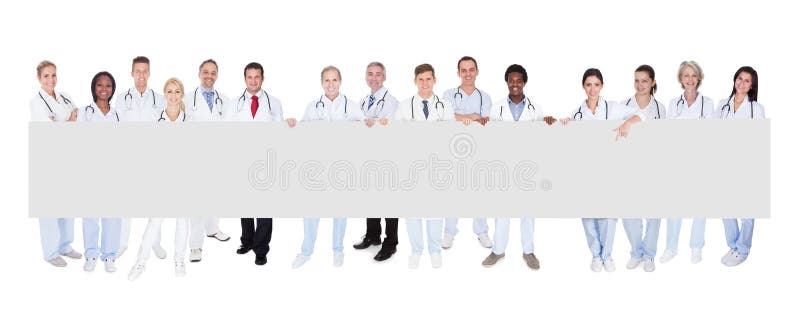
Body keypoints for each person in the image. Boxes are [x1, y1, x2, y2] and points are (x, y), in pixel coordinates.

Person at [560, 68, 646, 272]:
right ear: (583, 86)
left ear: (602, 86)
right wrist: (566, 125)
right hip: (586, 172)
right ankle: (596, 255)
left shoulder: (614, 108)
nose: (592, 89)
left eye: (596, 84)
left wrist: (627, 122)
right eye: (588, 84)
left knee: (608, 215)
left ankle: (607, 255)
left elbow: (641, 115)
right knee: (588, 216)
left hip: (609, 171)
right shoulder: (577, 113)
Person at [394, 63, 470, 268]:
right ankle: (416, 251)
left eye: (429, 79)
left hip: (437, 166)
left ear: (434, 80)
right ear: (415, 81)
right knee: (413, 213)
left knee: (435, 212)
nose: (425, 83)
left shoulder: (445, 105)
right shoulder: (403, 106)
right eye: (421, 79)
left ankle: (435, 251)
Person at [482, 64, 555, 270]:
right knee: (501, 211)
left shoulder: (536, 109)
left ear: (524, 82)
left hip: (527, 169)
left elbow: (543, 139)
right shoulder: (496, 108)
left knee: (528, 212)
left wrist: (548, 123)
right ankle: (498, 251)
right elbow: (490, 137)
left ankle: (528, 252)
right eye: (511, 80)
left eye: (519, 80)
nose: (515, 84)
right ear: (507, 82)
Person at [292, 65, 365, 269]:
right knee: (311, 212)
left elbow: (363, 135)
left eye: (334, 80)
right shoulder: (312, 106)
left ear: (340, 82)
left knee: (340, 211)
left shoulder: (351, 106)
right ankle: (306, 252)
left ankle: (338, 250)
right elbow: (302, 134)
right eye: (327, 80)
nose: (331, 84)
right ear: (322, 83)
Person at [229, 62, 294, 266]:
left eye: (257, 77)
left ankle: (261, 249)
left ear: (263, 78)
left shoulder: (274, 103)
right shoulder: (234, 104)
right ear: (245, 78)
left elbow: (280, 135)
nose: (254, 80)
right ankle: (246, 241)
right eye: (250, 77)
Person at [127, 77, 190, 281]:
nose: (173, 96)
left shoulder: (189, 121)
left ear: (182, 95)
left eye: (177, 92)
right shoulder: (155, 120)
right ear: (165, 94)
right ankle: (140, 262)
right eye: (170, 91)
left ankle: (179, 260)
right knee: (155, 222)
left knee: (182, 221)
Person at [660, 61, 716, 265]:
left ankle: (696, 247)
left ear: (699, 78)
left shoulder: (707, 103)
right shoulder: (673, 103)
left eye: (693, 75)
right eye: (686, 75)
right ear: (680, 79)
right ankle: (671, 247)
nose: (690, 79)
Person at [29, 60, 82, 267]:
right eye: (46, 76)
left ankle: (65, 246)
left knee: (68, 204)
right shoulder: (36, 102)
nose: (51, 79)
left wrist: (64, 124)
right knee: (50, 208)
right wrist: (69, 122)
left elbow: (78, 121)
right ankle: (50, 252)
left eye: (53, 75)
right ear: (38, 78)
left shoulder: (66, 97)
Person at [115, 56, 167, 260]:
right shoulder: (121, 98)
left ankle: (155, 243)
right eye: (138, 71)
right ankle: (121, 244)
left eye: (145, 71)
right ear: (132, 73)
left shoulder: (159, 99)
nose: (141, 75)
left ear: (149, 73)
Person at [441, 56, 493, 250]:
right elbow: (445, 117)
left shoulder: (485, 97)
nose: (468, 73)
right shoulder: (448, 95)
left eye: (471, 69)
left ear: (477, 71)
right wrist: (470, 116)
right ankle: (449, 232)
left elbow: (486, 121)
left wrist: (462, 118)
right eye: (464, 70)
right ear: (458, 73)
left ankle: (481, 231)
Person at [183, 59, 231, 263]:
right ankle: (195, 246)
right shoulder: (186, 99)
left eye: (213, 72)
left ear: (217, 75)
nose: (209, 76)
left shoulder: (225, 100)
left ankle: (213, 229)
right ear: (199, 73)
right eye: (205, 72)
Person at [352, 61, 401, 261]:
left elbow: (389, 130)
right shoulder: (363, 101)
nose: (374, 78)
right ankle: (373, 236)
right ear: (365, 77)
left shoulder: (391, 102)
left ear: (384, 77)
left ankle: (390, 244)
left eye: (378, 74)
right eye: (370, 74)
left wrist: (371, 125)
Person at [619, 64, 666, 272]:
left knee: (653, 215)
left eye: (644, 80)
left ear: (653, 82)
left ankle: (649, 255)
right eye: (636, 80)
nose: (640, 85)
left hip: (653, 167)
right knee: (630, 215)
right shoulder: (623, 106)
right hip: (629, 167)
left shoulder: (660, 108)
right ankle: (636, 252)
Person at [718, 66, 765, 267]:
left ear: (752, 85)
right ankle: (733, 245)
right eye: (739, 78)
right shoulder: (722, 105)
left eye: (747, 81)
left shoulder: (756, 108)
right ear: (734, 80)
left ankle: (743, 249)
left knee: (746, 210)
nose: (742, 83)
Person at [77, 71, 123, 272]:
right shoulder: (84, 112)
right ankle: (91, 254)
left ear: (113, 89)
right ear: (94, 88)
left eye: (108, 86)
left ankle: (110, 256)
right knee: (90, 215)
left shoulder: (118, 114)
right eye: (100, 85)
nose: (104, 89)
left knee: (113, 216)